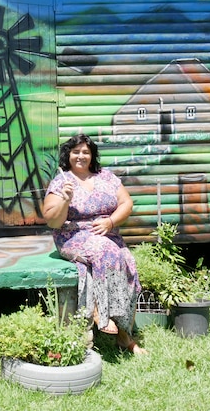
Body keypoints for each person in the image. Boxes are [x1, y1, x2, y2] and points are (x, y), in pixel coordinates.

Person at [42, 133, 147, 355]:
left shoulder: (106, 176)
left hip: (108, 234)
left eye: (86, 152)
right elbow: (52, 220)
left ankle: (124, 334)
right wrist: (65, 199)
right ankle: (101, 311)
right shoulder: (61, 181)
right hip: (72, 236)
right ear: (68, 155)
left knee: (128, 260)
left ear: (92, 156)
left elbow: (126, 202)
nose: (81, 156)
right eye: (76, 151)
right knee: (103, 250)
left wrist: (111, 222)